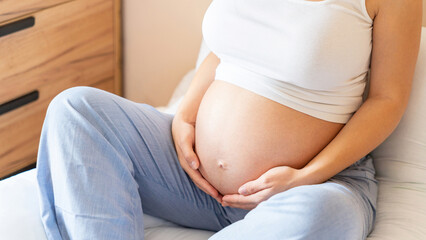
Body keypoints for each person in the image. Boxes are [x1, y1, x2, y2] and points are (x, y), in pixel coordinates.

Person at [36, 0, 422, 239]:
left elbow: (387, 99)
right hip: (194, 181)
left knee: (323, 216)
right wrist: (185, 114)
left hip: (310, 187)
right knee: (76, 110)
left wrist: (304, 177)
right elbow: (226, 49)